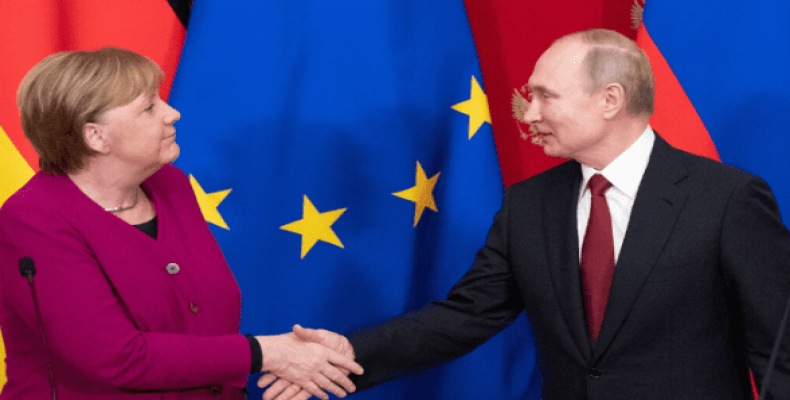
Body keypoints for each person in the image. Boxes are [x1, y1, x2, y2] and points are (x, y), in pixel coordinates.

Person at [260, 29, 790, 400]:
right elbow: (463, 317)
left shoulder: (727, 198)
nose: (528, 114)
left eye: (544, 97)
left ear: (610, 99)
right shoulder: (529, 204)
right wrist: (347, 353)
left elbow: (778, 347)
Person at [0, 48, 362, 400]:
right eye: (148, 108)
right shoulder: (31, 223)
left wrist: (294, 356)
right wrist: (269, 354)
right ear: (95, 136)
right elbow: (117, 357)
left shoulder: (169, 185)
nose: (172, 113)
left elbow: (205, 323)